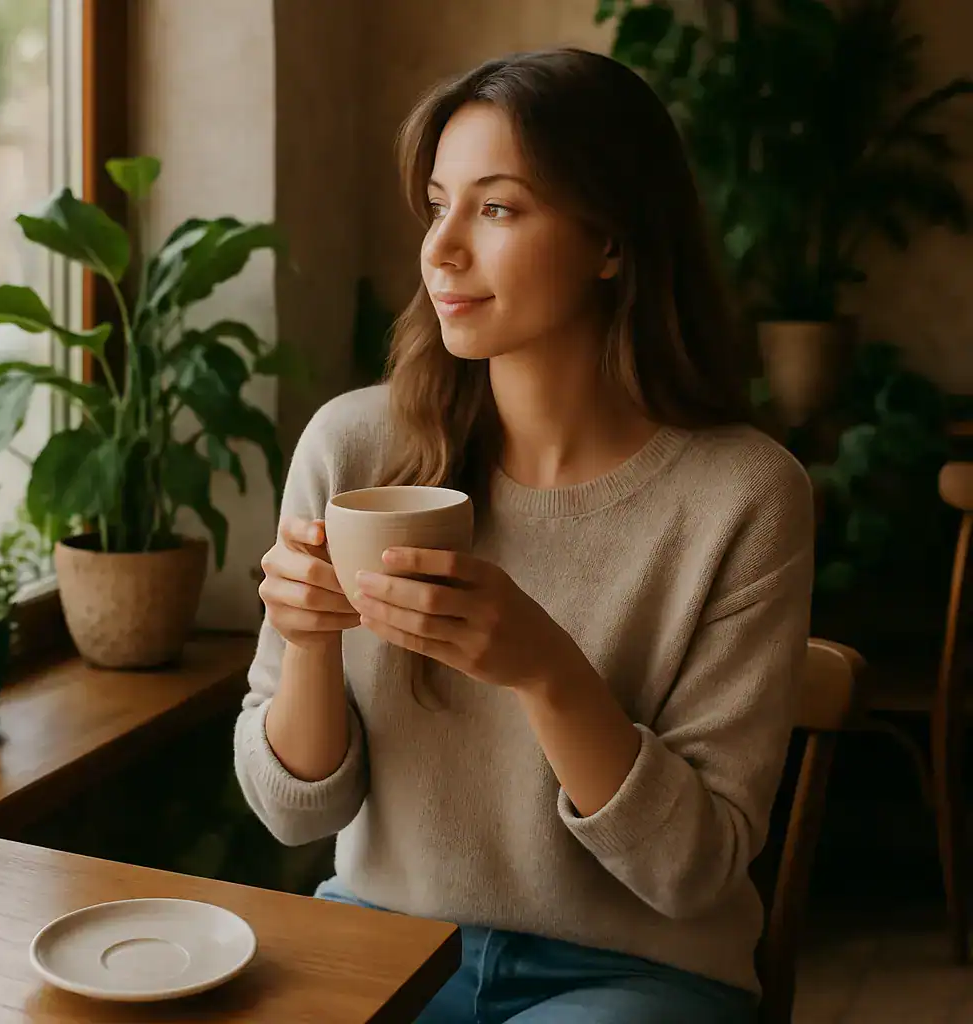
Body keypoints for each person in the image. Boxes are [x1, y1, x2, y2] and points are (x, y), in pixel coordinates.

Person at [235, 47, 813, 1024]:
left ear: (612, 241)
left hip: (632, 974)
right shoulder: (355, 445)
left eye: (497, 208)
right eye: (437, 202)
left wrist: (547, 671)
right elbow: (295, 812)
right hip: (383, 938)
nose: (441, 248)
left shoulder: (744, 495)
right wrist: (308, 642)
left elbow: (694, 871)